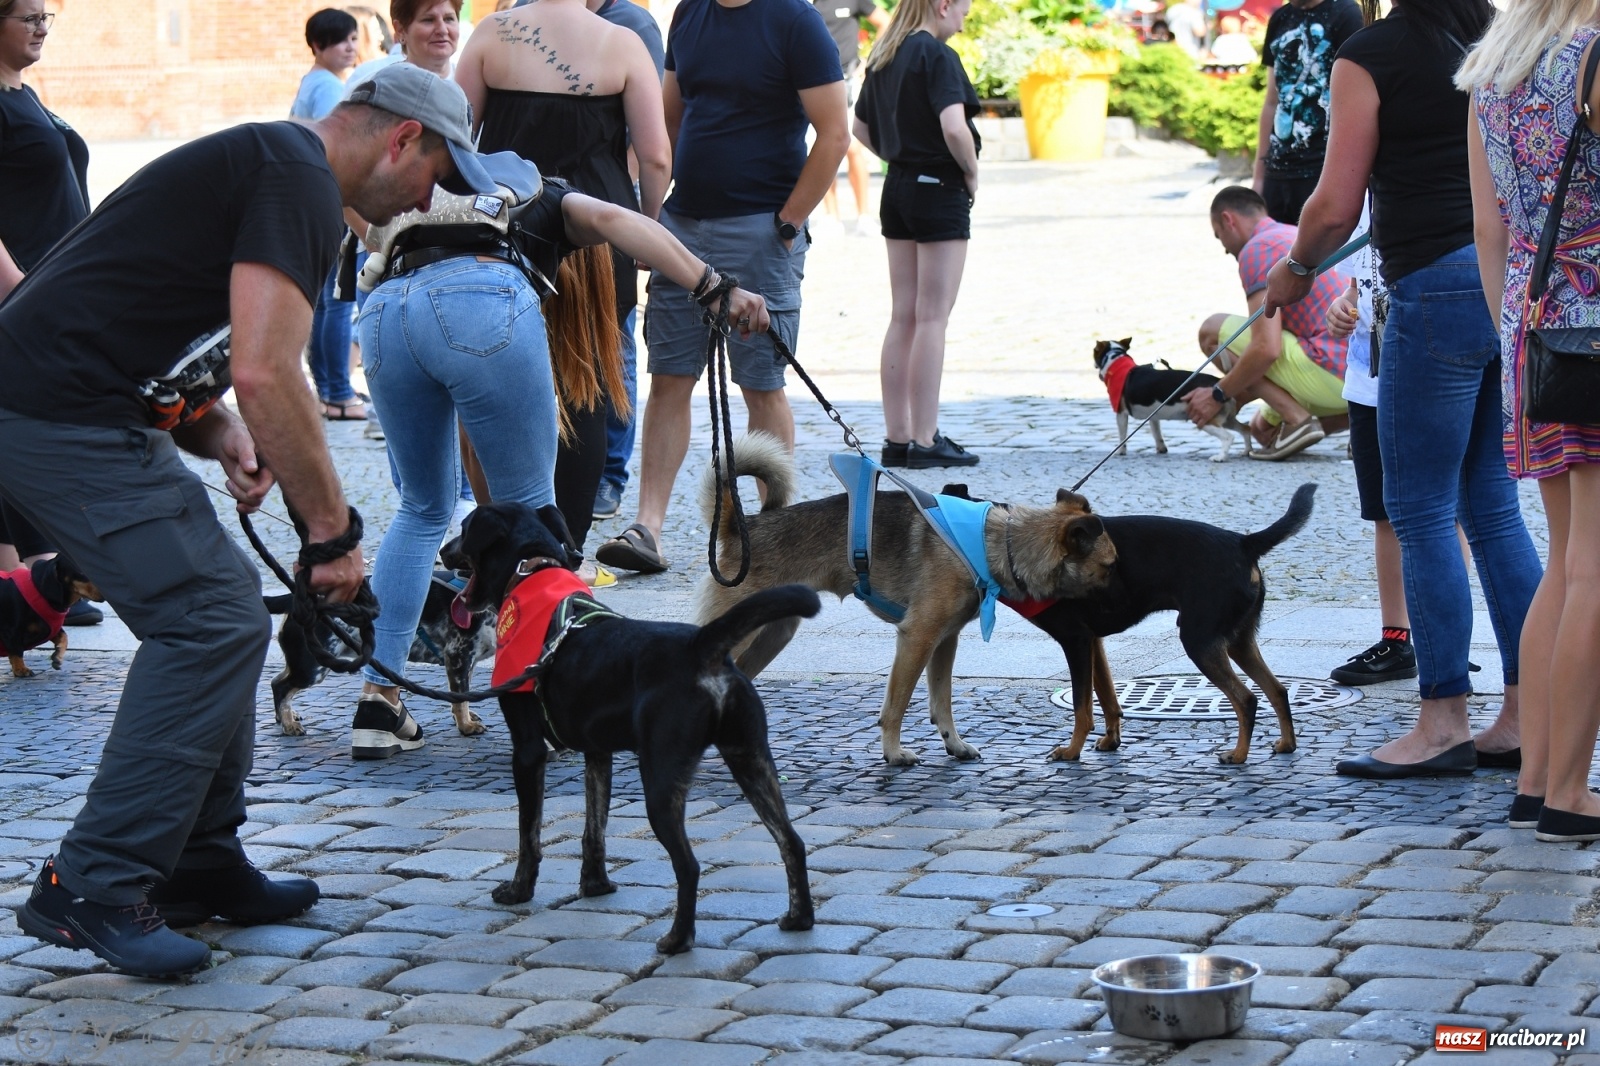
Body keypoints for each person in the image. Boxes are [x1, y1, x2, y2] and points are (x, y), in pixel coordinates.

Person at [0, 62, 497, 977]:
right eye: (437, 174)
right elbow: (270, 370)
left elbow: (157, 320)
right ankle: (91, 883)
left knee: (221, 607)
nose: (429, 200)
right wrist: (331, 535)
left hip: (79, 404)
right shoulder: (295, 177)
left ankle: (197, 859)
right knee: (210, 618)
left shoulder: (280, 167)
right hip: (55, 412)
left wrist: (216, 425)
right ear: (401, 139)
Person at [352, 155, 771, 755]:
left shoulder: (423, 191)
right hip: (480, 297)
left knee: (420, 508)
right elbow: (618, 219)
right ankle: (551, 700)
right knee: (534, 513)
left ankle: (378, 702)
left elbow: (348, 198)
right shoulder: (542, 194)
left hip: (386, 307)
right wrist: (712, 286)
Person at [1264, 0, 1539, 779]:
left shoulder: (1372, 53)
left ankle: (1443, 720)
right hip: (1505, 281)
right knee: (1492, 509)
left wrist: (1296, 268)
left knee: (1419, 510)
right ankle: (1526, 714)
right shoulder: (1504, 37)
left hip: (1431, 282)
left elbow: (1333, 205)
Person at [595, 0, 849, 574]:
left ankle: (776, 534)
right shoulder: (690, 13)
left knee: (761, 383)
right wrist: (652, 220)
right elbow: (669, 121)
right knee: (669, 377)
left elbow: (834, 134)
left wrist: (789, 222)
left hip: (762, 227)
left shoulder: (794, 20)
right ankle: (648, 529)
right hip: (684, 227)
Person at [457, 0, 669, 584]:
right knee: (587, 387)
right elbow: (655, 156)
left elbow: (453, 141)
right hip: (597, 237)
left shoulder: (491, 35)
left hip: (508, 229)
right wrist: (646, 228)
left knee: (498, 385)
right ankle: (564, 557)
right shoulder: (621, 43)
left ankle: (504, 545)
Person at [1461, 0, 1600, 837]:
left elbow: (1490, 228)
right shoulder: (1592, 56)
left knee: (1569, 562)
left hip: (1534, 333)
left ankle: (1539, 781)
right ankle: (1569, 794)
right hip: (1595, 331)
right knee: (1592, 569)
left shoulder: (1494, 66)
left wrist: (1515, 329)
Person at [0, 0, 100, 625]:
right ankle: (26, 575)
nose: (41, 26)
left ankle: (29, 577)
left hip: (55, 291)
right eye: (28, 17)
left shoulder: (25, 95)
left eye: (46, 17)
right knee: (21, 425)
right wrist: (18, 291)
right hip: (20, 298)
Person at [852, 0, 981, 469]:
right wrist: (970, 172)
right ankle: (926, 439)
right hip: (938, 187)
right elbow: (954, 127)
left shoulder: (884, 54)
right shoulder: (937, 56)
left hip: (898, 188)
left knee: (903, 315)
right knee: (932, 317)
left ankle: (898, 438)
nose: (964, 20)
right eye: (964, 9)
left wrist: (900, 155)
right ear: (943, 5)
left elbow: (859, 128)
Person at [1186, 185, 1349, 460]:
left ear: (1228, 219)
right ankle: (1357, 419)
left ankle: (1297, 419)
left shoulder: (1257, 249)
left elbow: (1266, 348)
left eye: (1218, 235)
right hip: (1357, 377)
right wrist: (1239, 391)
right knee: (1263, 430)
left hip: (1330, 370)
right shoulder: (1290, 233)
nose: (1224, 248)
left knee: (1212, 331)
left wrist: (1217, 394)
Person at [293, 8, 367, 423]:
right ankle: (338, 391)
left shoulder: (314, 81)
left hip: (315, 196)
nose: (350, 47)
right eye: (340, 41)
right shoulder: (328, 88)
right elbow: (337, 149)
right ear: (318, 46)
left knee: (326, 300)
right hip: (335, 198)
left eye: (353, 39)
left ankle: (327, 389)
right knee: (339, 299)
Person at [1253, 0, 1363, 224]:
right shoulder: (1280, 19)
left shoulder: (1346, 14)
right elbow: (1272, 101)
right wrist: (1259, 177)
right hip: (1278, 169)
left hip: (1322, 169)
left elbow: (1358, 99)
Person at [814, 0, 890, 225]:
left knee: (853, 147)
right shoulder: (805, 3)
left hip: (847, 78)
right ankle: (832, 216)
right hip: (815, 82)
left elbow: (884, 21)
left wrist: (871, 61)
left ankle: (863, 215)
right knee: (821, 148)